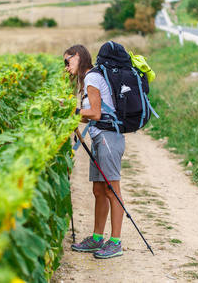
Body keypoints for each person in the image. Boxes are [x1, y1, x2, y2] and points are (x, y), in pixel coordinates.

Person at [64, 44, 125, 259]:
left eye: (67, 61)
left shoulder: (91, 77)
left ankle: (116, 242)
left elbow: (96, 113)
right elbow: (89, 114)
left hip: (109, 138)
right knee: (99, 190)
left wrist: (73, 111)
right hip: (100, 138)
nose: (66, 67)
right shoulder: (88, 79)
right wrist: (71, 115)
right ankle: (97, 238)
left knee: (111, 190)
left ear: (78, 57)